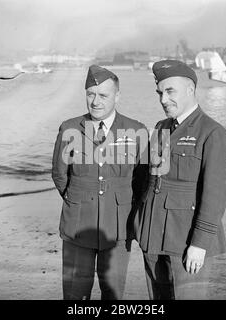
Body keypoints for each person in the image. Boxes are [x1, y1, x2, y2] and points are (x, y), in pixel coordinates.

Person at [136, 59, 226, 300]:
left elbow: (215, 194)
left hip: (186, 242)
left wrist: (199, 245)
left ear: (190, 89)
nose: (163, 100)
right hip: (152, 237)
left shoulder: (212, 132)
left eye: (170, 91)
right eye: (160, 92)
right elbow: (147, 181)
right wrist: (139, 226)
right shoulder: (161, 127)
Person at [52, 65, 148, 300]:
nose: (95, 101)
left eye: (103, 95)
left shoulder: (137, 130)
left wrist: (125, 204)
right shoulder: (70, 128)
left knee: (113, 294)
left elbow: (143, 180)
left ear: (117, 96)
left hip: (118, 228)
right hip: (77, 226)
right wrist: (79, 199)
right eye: (90, 94)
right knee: (75, 294)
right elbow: (59, 173)